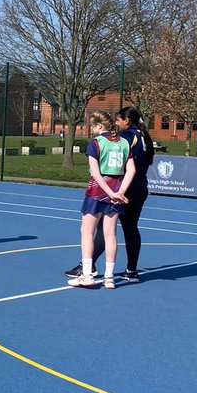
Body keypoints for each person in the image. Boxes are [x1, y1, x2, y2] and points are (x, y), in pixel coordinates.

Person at [65, 105, 153, 281]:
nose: (117, 124)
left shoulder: (125, 138)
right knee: (130, 228)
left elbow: (117, 161)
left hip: (120, 188)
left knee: (103, 229)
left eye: (119, 120)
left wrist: (115, 189)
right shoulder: (143, 136)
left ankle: (87, 267)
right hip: (140, 187)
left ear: (126, 121)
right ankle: (131, 270)